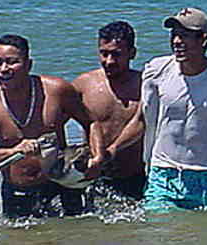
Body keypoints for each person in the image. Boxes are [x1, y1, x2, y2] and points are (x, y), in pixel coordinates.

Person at [109, 7, 207, 212]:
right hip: (163, 173)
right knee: (158, 231)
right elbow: (142, 118)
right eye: (174, 35)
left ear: (203, 39)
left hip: (204, 174)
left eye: (185, 35)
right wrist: (112, 150)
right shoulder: (156, 70)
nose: (177, 41)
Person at [0, 34, 102, 218]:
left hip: (61, 182)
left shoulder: (56, 90)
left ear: (29, 65)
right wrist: (13, 151)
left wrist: (98, 157)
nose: (4, 69)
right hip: (20, 190)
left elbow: (90, 122)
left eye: (12, 62)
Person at [72, 21, 146, 201]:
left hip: (134, 176)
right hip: (91, 177)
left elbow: (143, 123)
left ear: (132, 53)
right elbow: (54, 120)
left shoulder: (145, 85)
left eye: (116, 54)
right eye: (104, 53)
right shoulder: (83, 85)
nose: (109, 61)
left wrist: (112, 150)